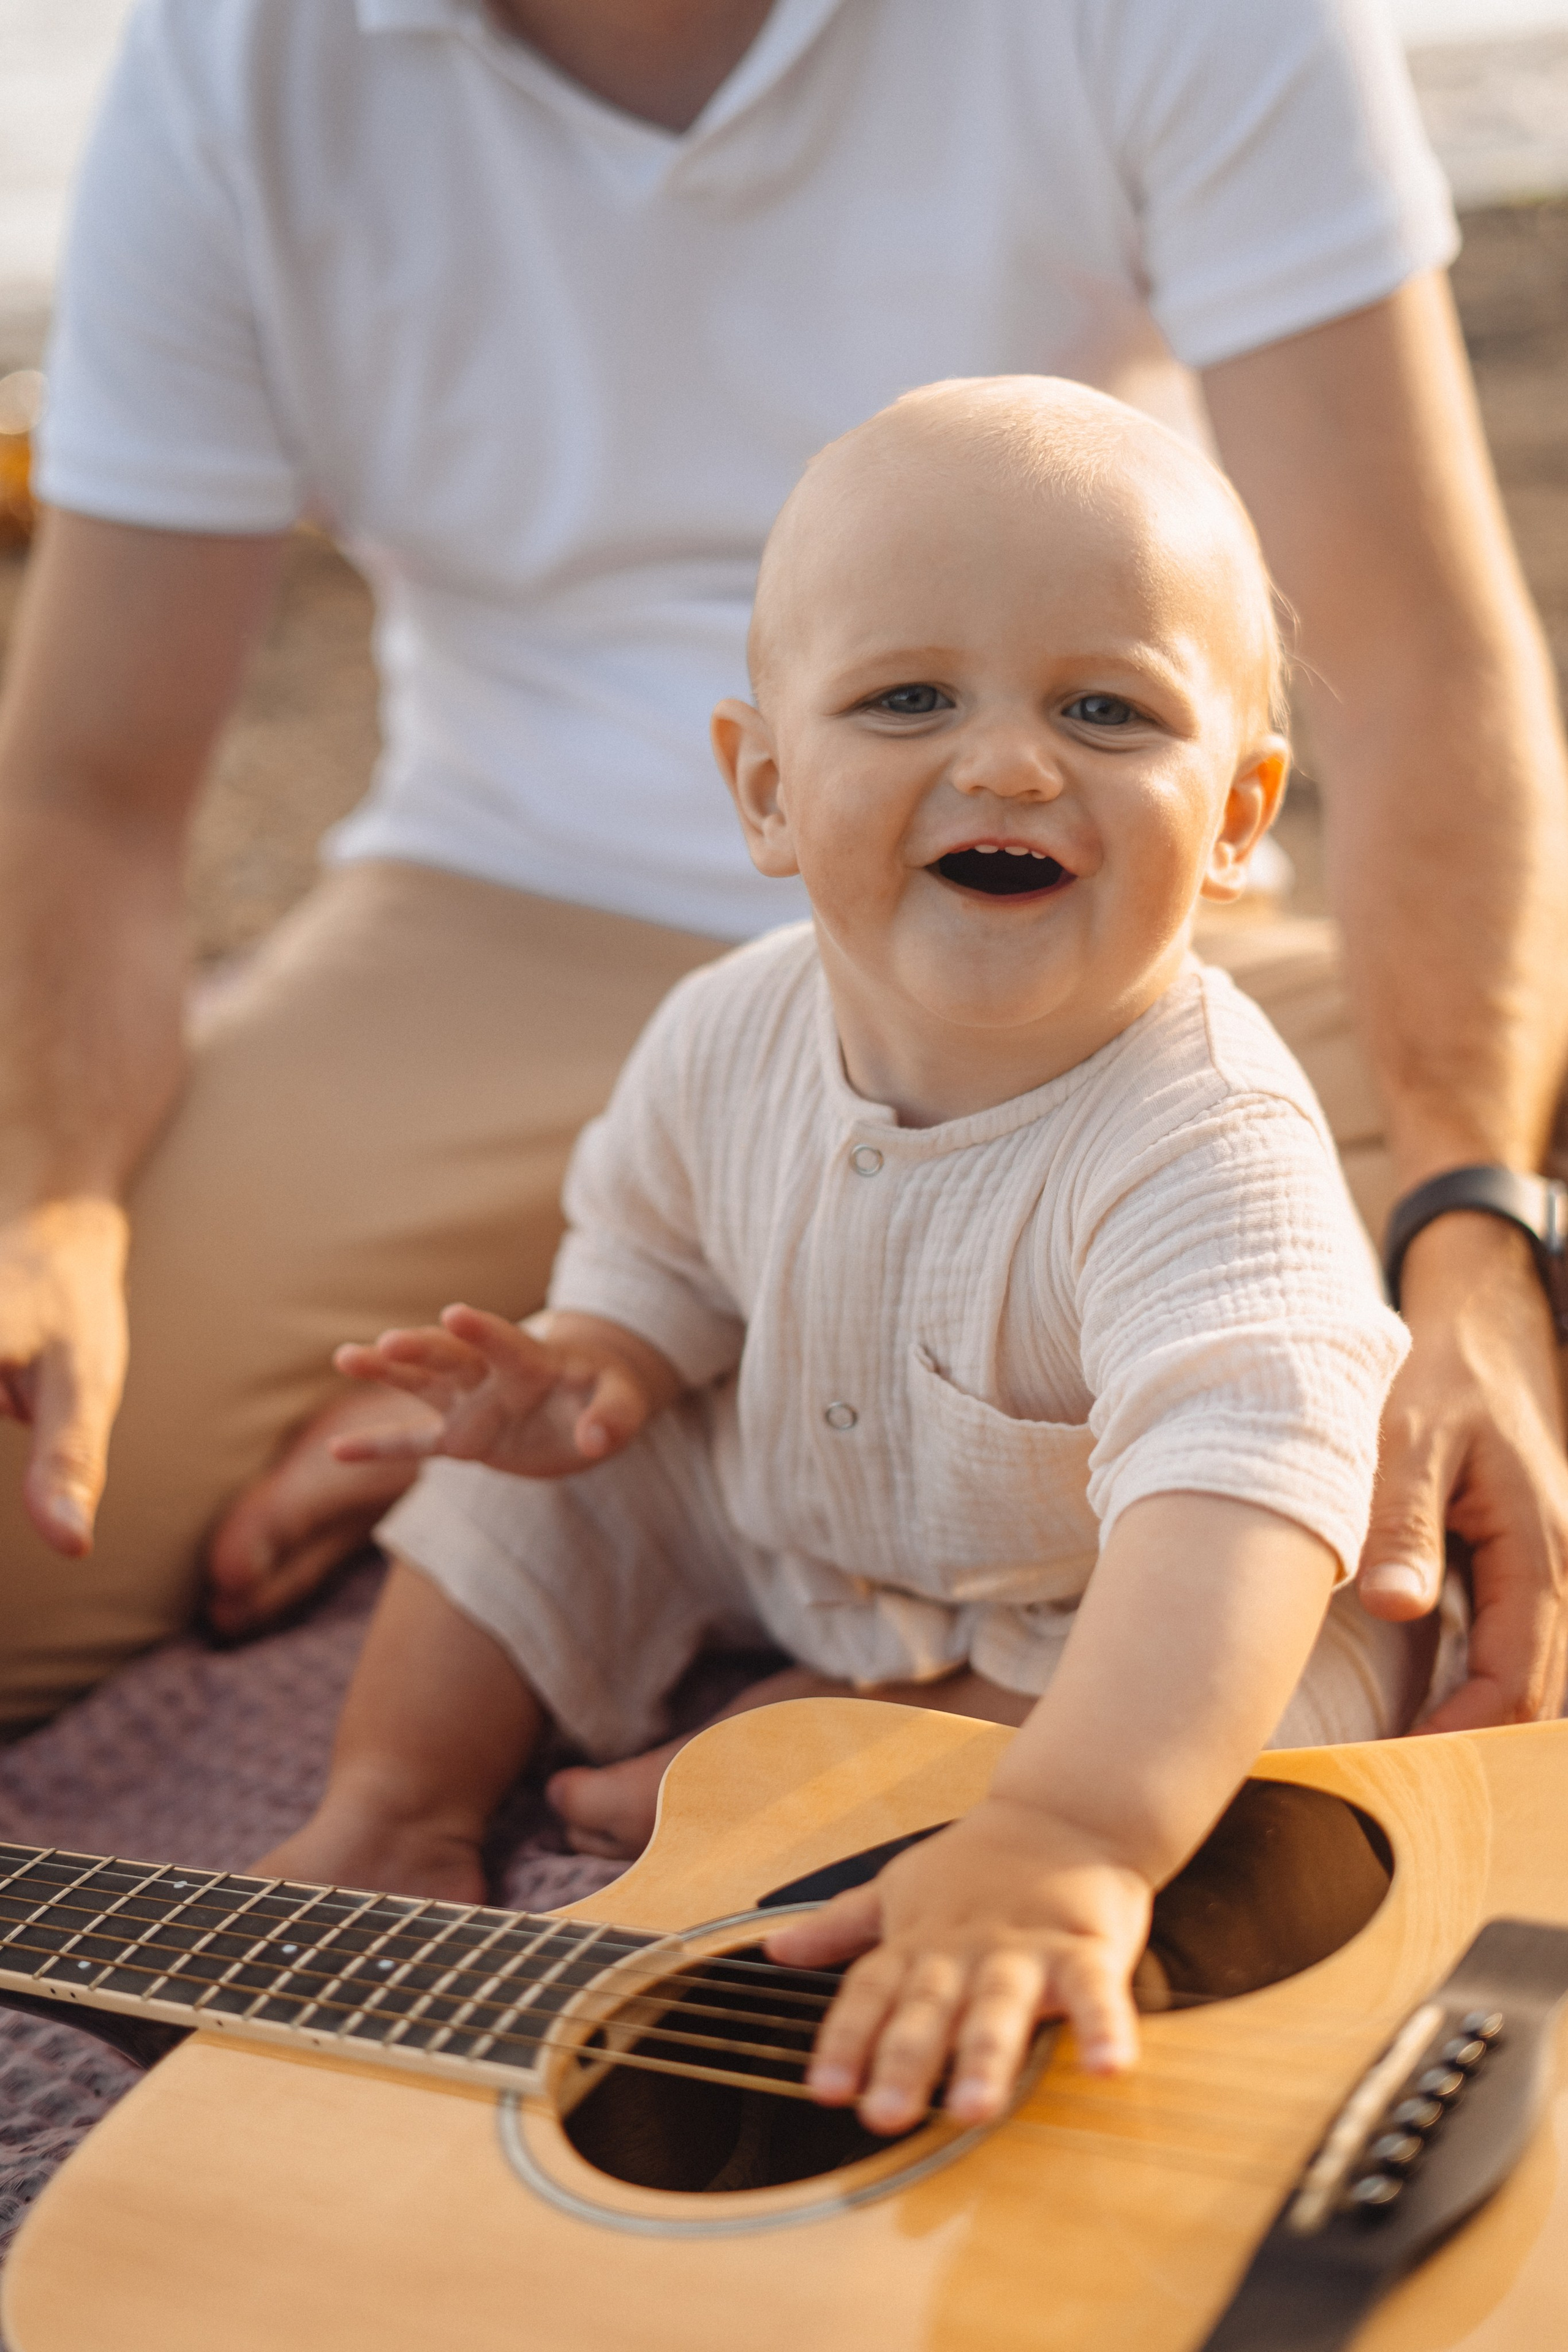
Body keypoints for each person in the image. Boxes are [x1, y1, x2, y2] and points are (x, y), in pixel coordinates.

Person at [0, 0, 1564, 1735]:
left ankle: (859, 1623)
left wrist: (1480, 1230)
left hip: (1096, 956)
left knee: (1374, 1499)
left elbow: (1420, 667)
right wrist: (48, 1201)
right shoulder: (232, 55)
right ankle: (631, 1384)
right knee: (28, 1499)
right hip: (490, 913)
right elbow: (86, 791)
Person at [260, 380, 1420, 2131]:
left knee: (1282, 1721)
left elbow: (1240, 1493)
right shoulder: (722, 1031)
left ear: (1242, 816)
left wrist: (1071, 1833)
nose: (1011, 764)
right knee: (524, 1488)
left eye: (1107, 710)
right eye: (908, 699)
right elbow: (656, 1255)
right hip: (799, 1510)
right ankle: (391, 1809)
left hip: (1103, 1594)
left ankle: (863, 1757)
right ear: (769, 789)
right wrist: (593, 1368)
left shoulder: (1205, 1139)